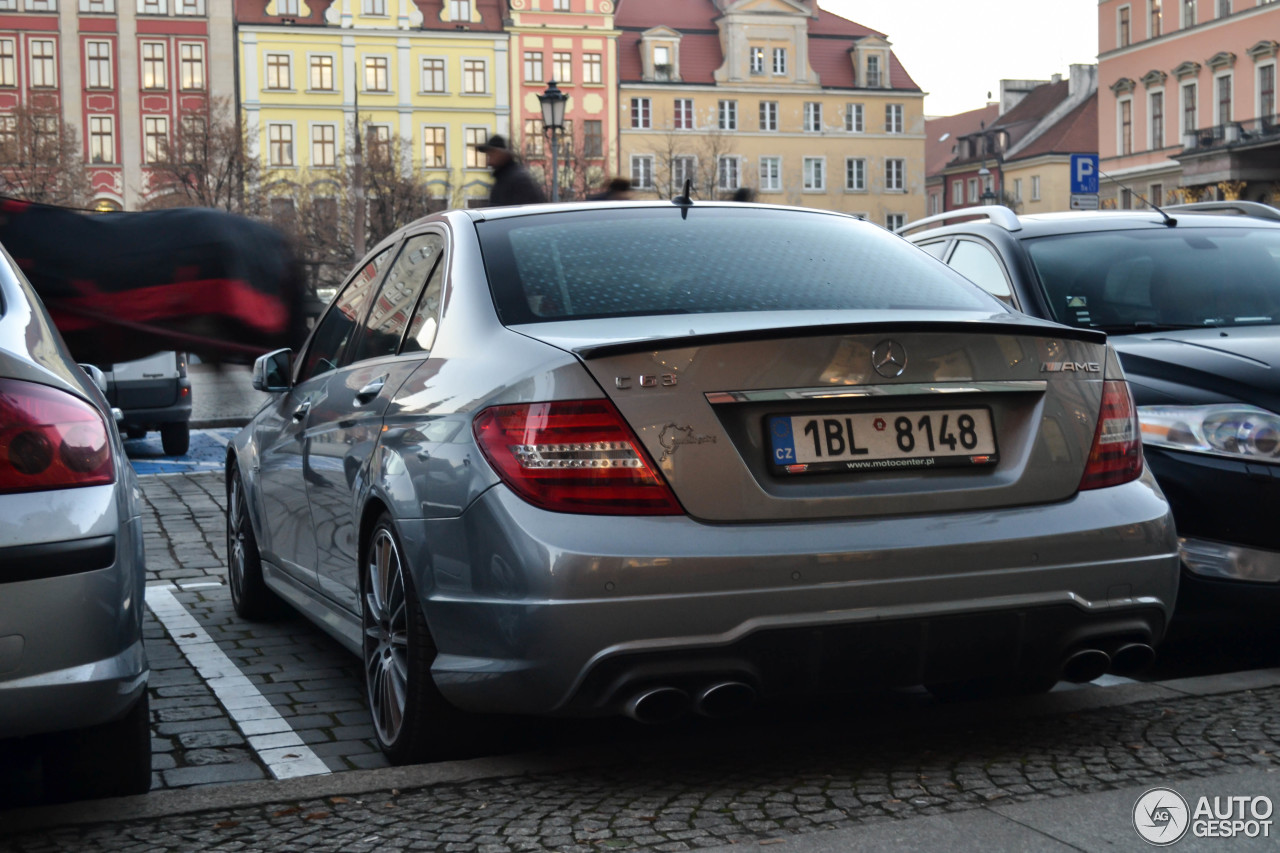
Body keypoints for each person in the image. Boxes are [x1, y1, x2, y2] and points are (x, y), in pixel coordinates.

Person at [476, 134, 547, 207]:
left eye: (490, 155)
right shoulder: (505, 178)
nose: (489, 162)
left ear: (500, 153)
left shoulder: (517, 180)